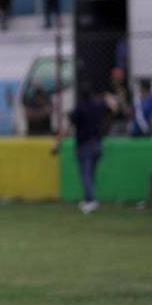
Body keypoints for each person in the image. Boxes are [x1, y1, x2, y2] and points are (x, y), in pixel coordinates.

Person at [55, 85, 113, 214]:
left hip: (84, 145)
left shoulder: (79, 108)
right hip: (98, 144)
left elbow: (68, 126)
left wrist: (58, 143)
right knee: (91, 174)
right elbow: (112, 109)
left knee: (85, 175)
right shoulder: (98, 106)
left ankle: (91, 201)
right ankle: (88, 199)